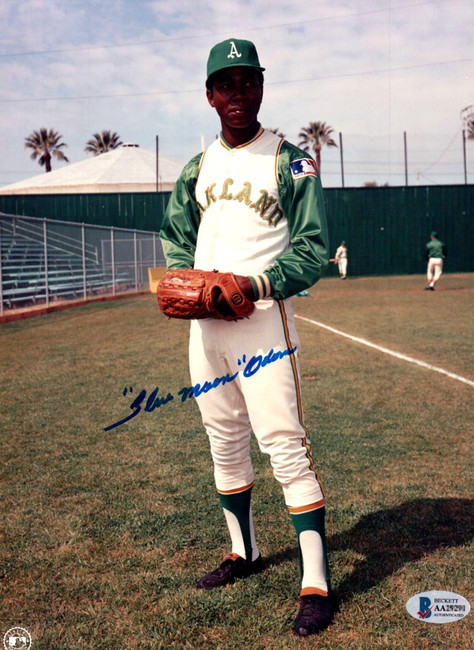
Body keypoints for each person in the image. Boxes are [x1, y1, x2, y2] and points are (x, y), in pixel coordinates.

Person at [159, 38, 334, 637]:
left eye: (247, 81)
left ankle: (316, 581)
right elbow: (175, 235)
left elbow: (312, 251)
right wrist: (192, 282)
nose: (237, 93)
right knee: (223, 438)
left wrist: (253, 283)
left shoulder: (291, 160)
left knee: (284, 443)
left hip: (262, 321)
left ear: (262, 86)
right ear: (209, 96)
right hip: (205, 328)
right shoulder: (196, 166)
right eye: (225, 84)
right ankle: (246, 551)